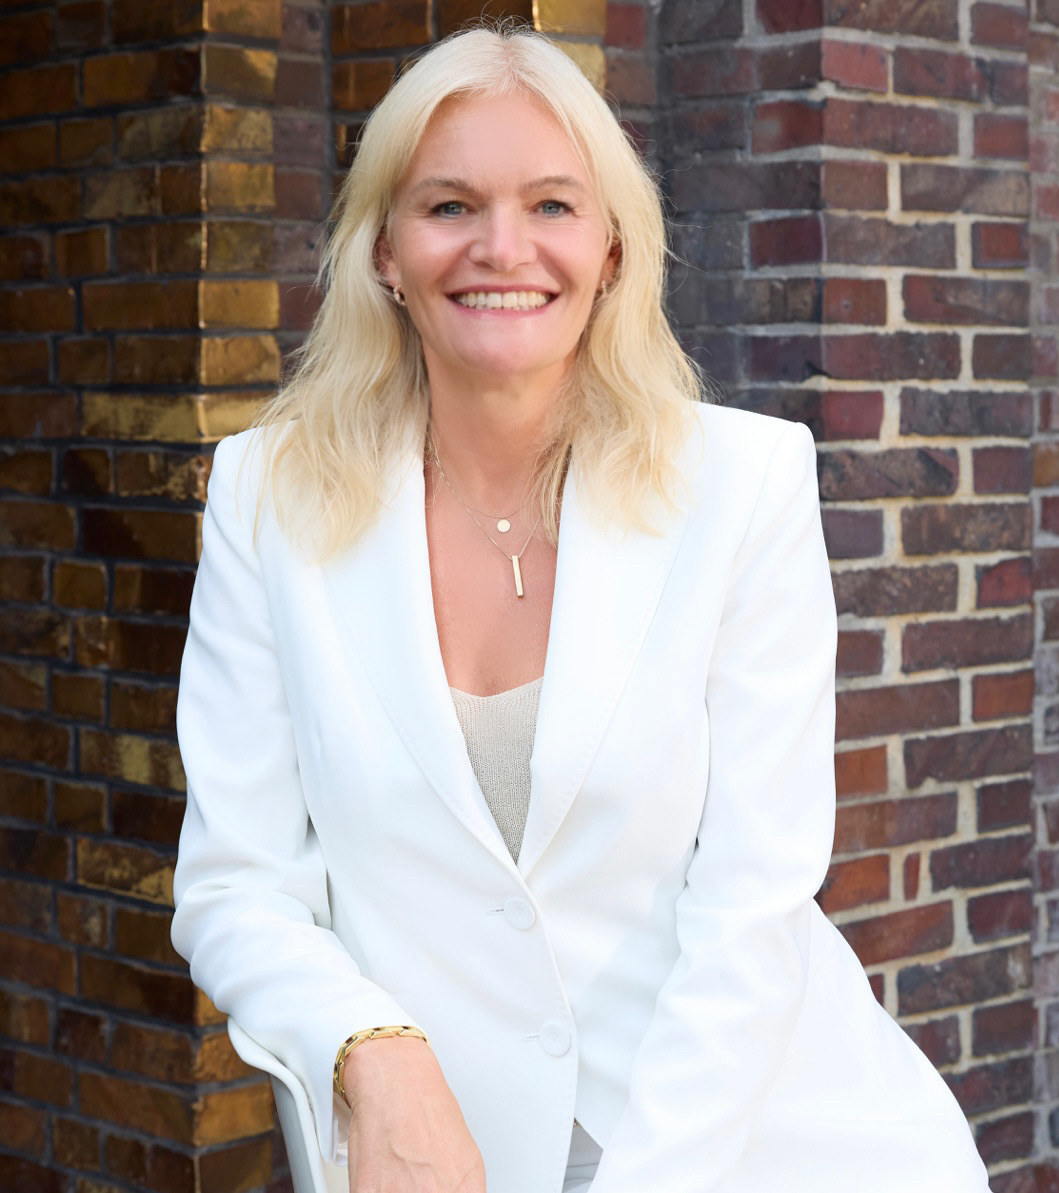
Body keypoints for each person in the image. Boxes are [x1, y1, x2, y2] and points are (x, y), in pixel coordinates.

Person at [171, 25, 991, 1193]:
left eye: (552, 204)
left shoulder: (744, 486)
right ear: (386, 251)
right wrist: (369, 1045)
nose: (502, 247)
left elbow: (753, 906)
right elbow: (235, 884)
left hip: (765, 1148)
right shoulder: (268, 497)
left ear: (611, 248)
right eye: (450, 205)